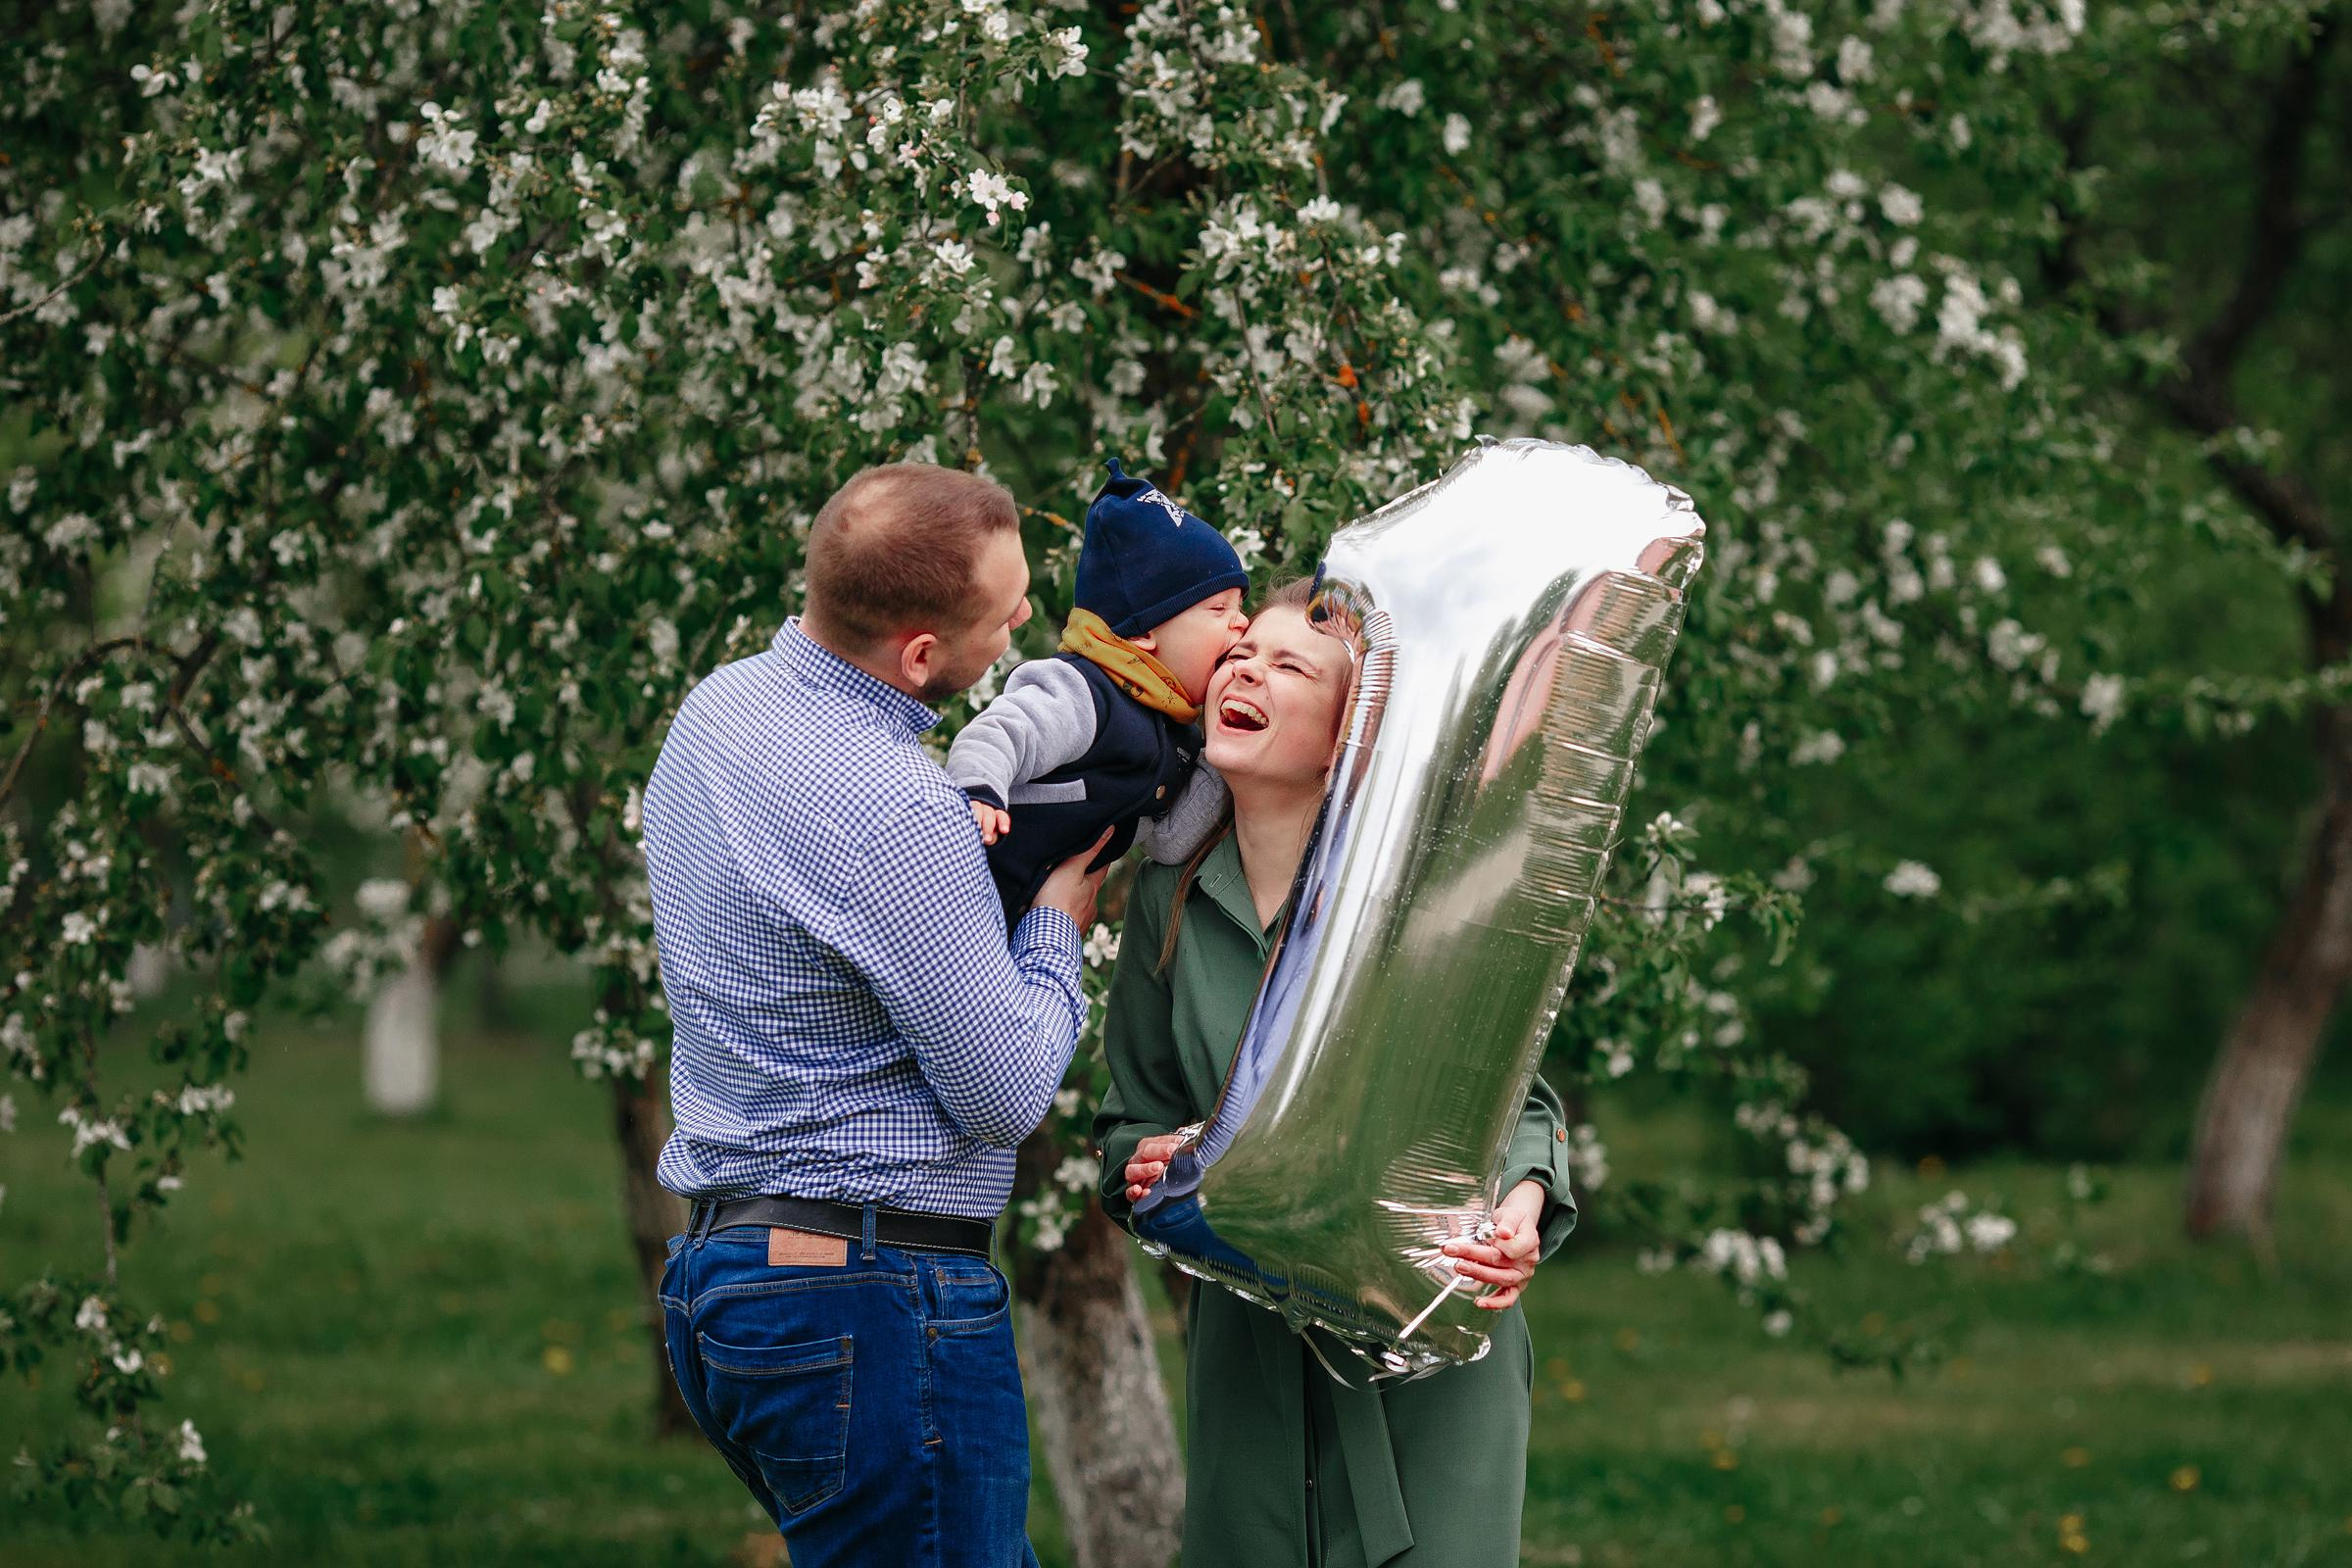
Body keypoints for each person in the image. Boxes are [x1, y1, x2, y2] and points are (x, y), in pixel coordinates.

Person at [641, 462, 1110, 1568]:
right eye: (1005, 614)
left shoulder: (716, 711)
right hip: (871, 1305)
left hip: (729, 1283)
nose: (1024, 624)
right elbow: (1004, 1094)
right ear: (918, 655)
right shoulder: (899, 810)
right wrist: (1056, 920)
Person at [1095, 577, 1579, 1568]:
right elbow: (1127, 1125)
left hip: (1432, 1358)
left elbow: (1514, 1102)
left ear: (1347, 731)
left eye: (1289, 665)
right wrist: (1141, 1167)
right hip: (1249, 1367)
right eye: (1239, 655)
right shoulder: (1164, 901)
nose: (1244, 670)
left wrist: (1523, 1205)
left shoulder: (1423, 897)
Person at [948, 459, 1250, 922]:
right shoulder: (1082, 690)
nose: (1241, 623)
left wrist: (1223, 748)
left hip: (1014, 932)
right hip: (957, 892)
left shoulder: (1179, 736)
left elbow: (1168, 842)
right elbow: (999, 733)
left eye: (1241, 607)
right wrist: (976, 793)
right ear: (1145, 631)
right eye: (1218, 608)